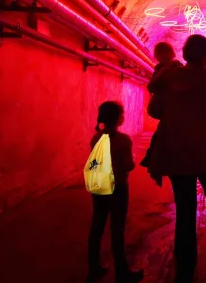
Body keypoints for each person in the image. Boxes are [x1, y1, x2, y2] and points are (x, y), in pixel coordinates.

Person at [150, 34, 206, 282]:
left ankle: (186, 270)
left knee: (185, 213)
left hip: (178, 155)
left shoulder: (168, 77)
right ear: (203, 55)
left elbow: (154, 110)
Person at [87, 101, 144, 283]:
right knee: (117, 228)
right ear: (118, 118)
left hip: (99, 186)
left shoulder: (96, 138)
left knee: (97, 225)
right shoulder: (123, 140)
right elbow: (128, 165)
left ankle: (94, 267)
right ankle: (122, 271)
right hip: (118, 187)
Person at [141, 42, 182, 186]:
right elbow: (152, 86)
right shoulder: (161, 68)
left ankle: (157, 169)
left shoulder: (175, 68)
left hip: (171, 111)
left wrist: (164, 70)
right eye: (159, 55)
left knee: (162, 140)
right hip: (167, 111)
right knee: (159, 140)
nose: (159, 58)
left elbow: (152, 86)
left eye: (161, 54)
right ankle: (156, 168)